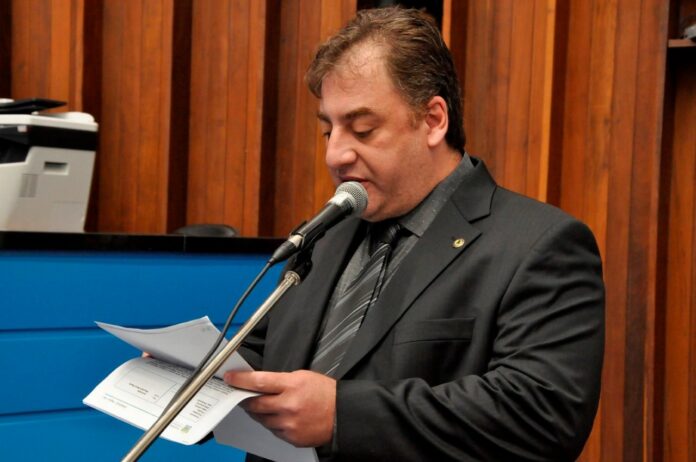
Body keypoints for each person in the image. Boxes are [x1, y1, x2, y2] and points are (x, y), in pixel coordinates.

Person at [224, 6, 604, 461]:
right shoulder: (326, 235)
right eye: (328, 130)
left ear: (433, 119)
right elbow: (265, 357)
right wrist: (195, 378)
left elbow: (540, 416)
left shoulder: (540, 244)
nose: (336, 154)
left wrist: (343, 415)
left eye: (363, 129)